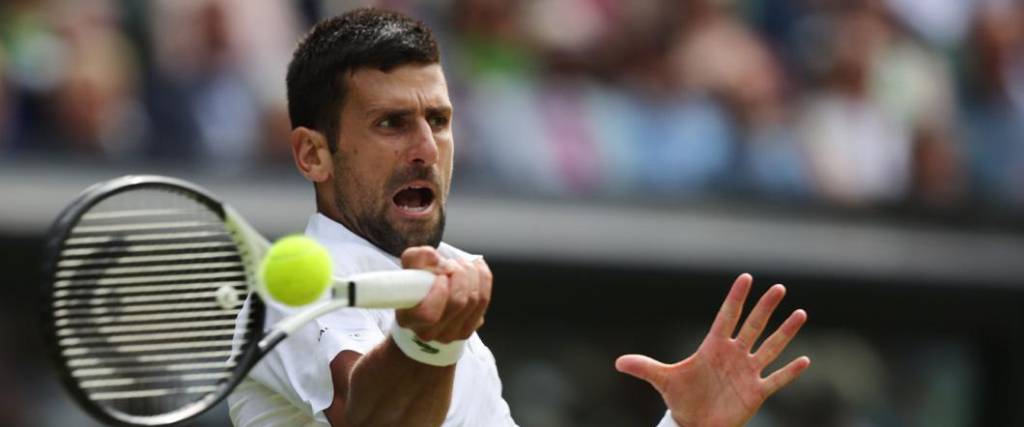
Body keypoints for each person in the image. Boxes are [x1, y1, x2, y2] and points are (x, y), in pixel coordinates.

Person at [227, 8, 810, 427]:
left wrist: (687, 426)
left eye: (439, 119)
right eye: (391, 123)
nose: (427, 148)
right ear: (313, 153)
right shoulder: (293, 284)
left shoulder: (448, 287)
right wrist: (430, 340)